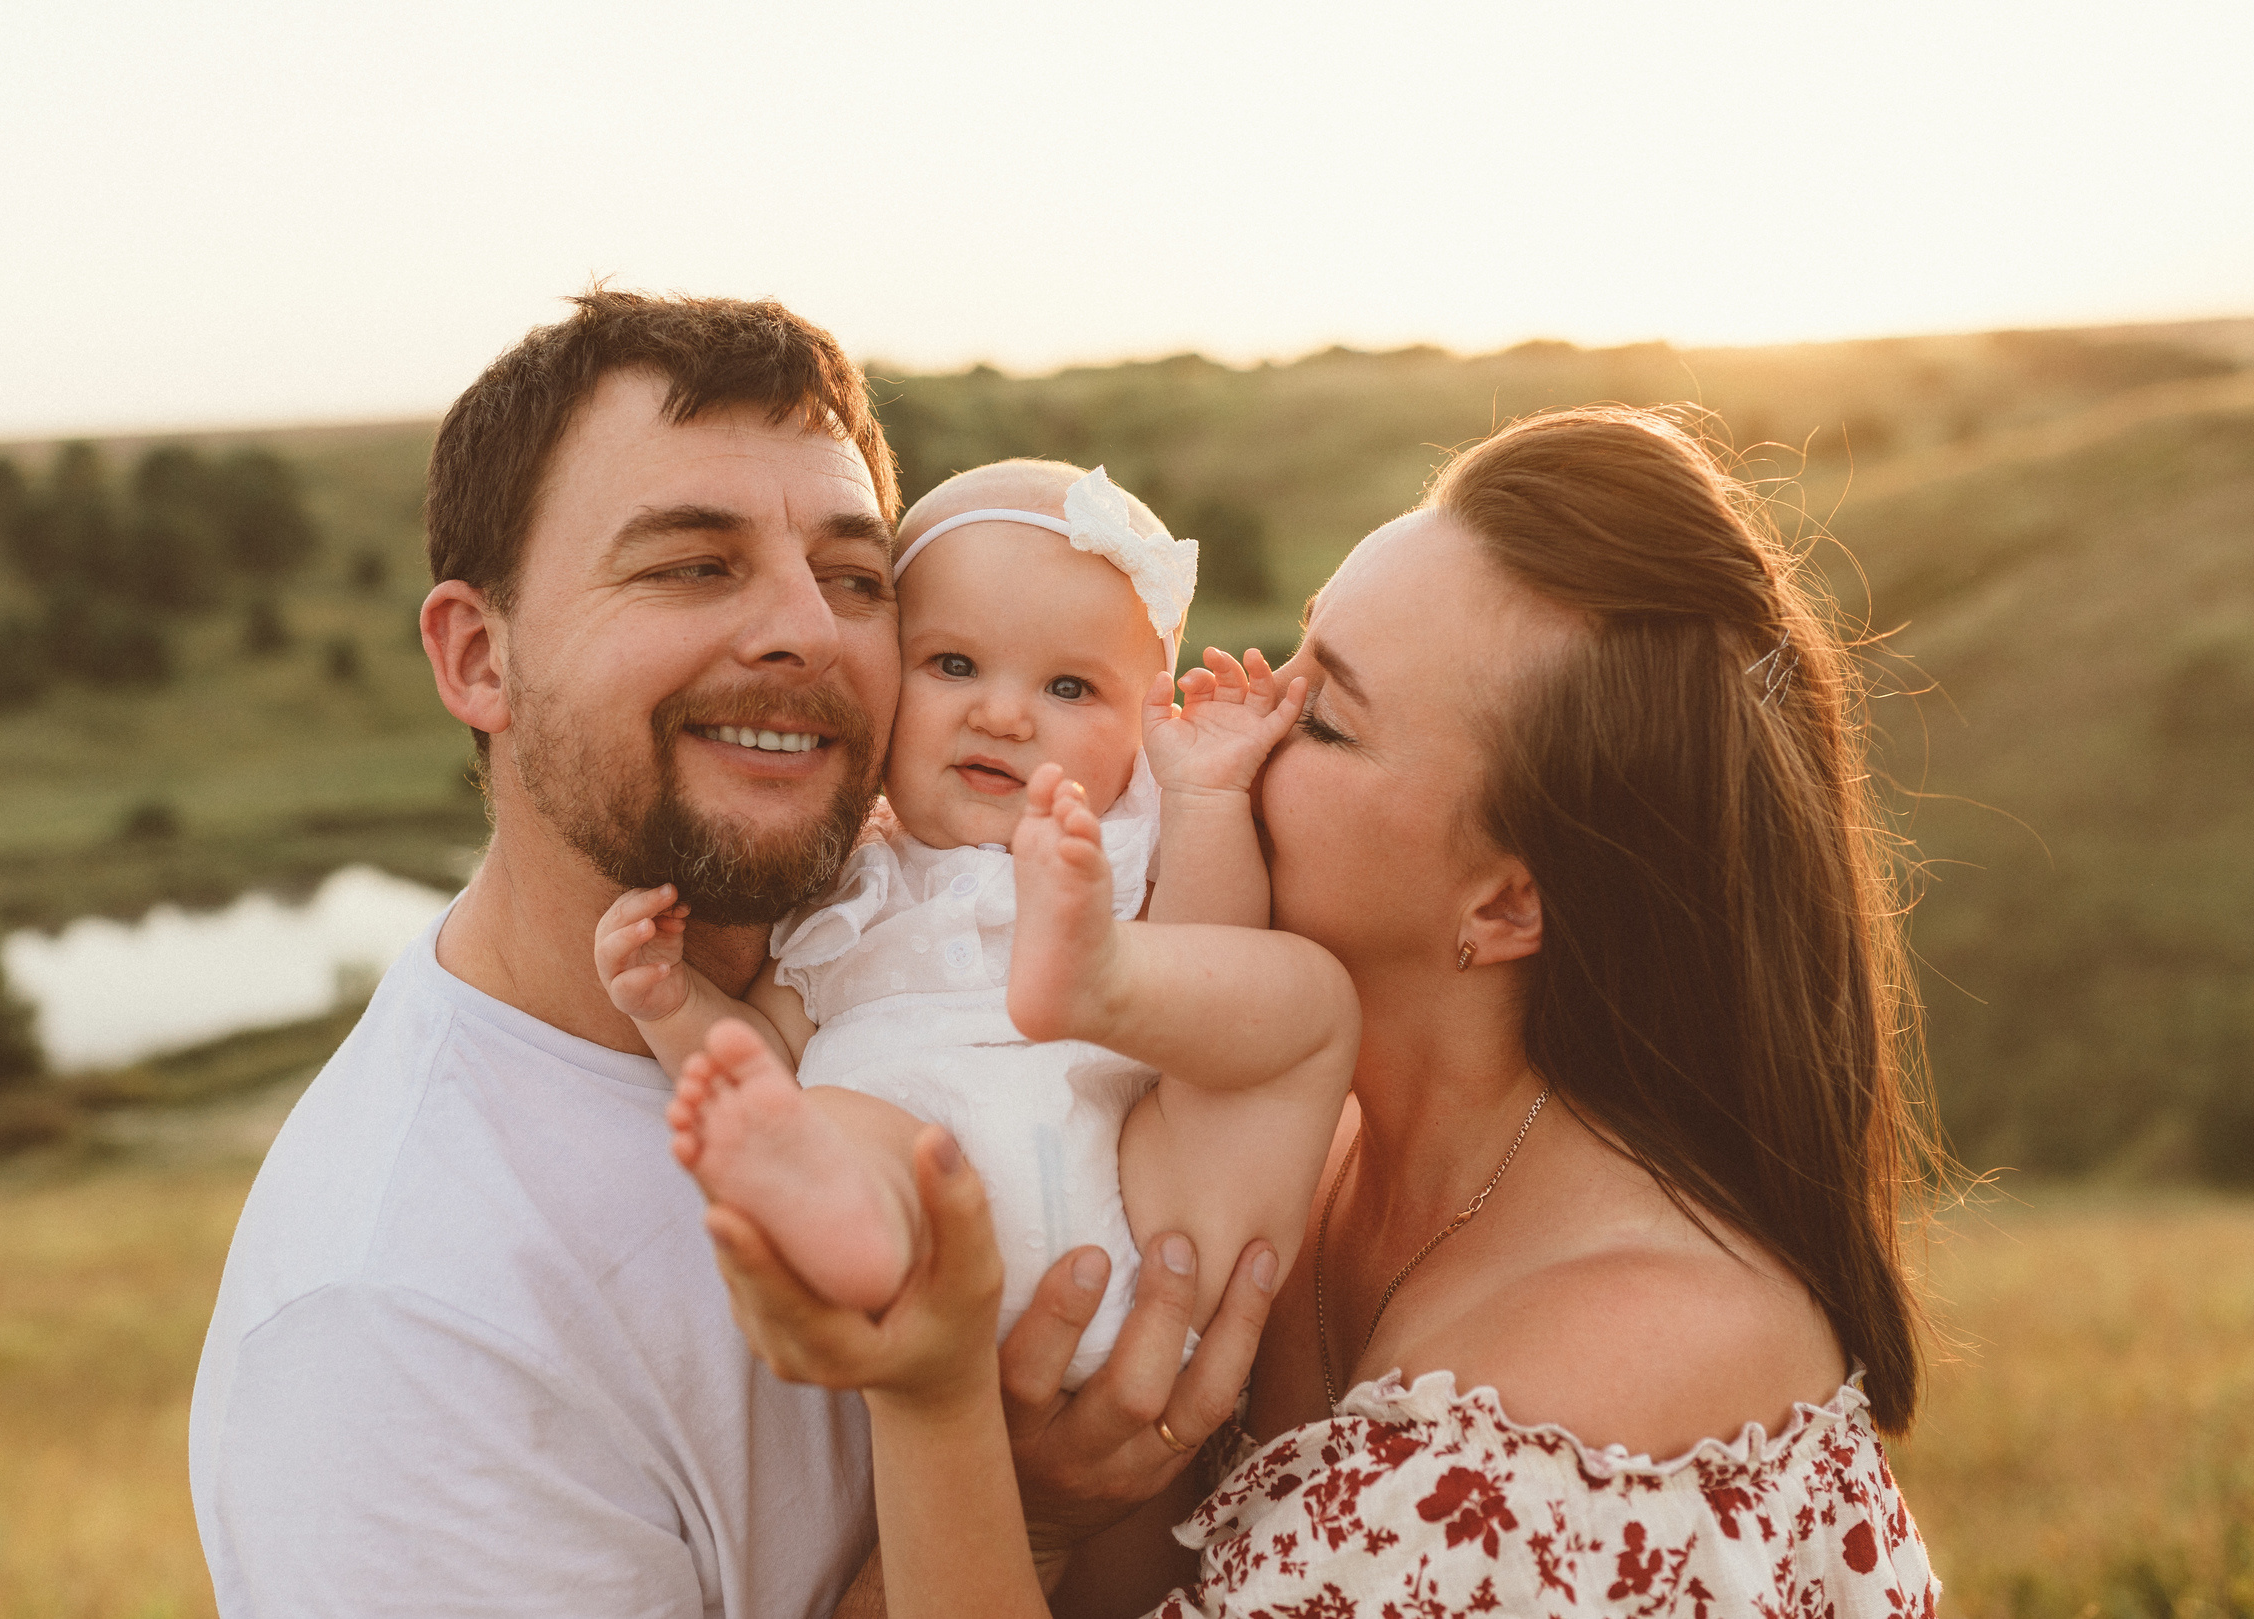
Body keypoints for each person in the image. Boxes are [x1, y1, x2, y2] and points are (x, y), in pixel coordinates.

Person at [705, 407, 1947, 1615]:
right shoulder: (1295, 1143)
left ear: (1508, 906)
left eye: (1329, 717)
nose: (1225, 714)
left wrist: (952, 1430)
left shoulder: (1581, 1409)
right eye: (1293, 648)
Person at [185, 292, 907, 1617]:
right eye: (695, 563)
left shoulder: (929, 971)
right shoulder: (399, 1318)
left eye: (856, 576)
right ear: (478, 657)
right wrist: (1022, 1491)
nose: (810, 629)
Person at [598, 461, 1356, 1382]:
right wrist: (674, 1005)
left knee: (1234, 1050)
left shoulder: (1121, 846)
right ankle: (850, 1231)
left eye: (1070, 689)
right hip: (927, 1237)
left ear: (1141, 726)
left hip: (1129, 1221)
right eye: (954, 665)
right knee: (828, 1119)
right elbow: (763, 1044)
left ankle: (1080, 979)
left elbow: (1214, 960)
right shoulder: (849, 891)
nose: (1001, 714)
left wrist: (1204, 797)